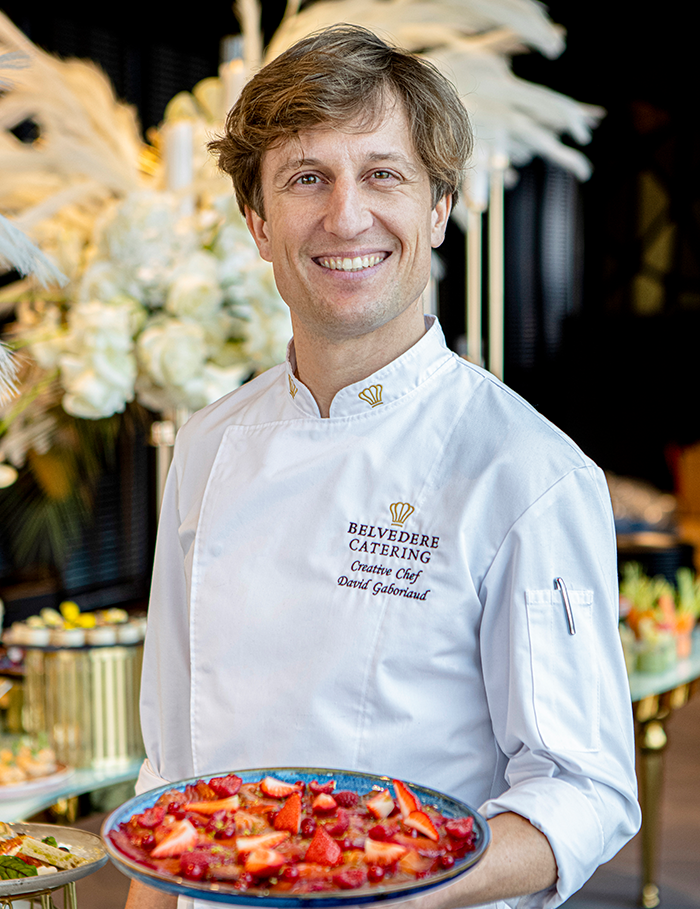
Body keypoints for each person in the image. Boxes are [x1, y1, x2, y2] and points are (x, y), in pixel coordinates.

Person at [126, 24, 641, 909]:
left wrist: (388, 886)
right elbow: (171, 769)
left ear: (439, 209)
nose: (347, 215)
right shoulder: (207, 445)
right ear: (257, 222)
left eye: (383, 173)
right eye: (305, 178)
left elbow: (583, 787)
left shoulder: (528, 471)